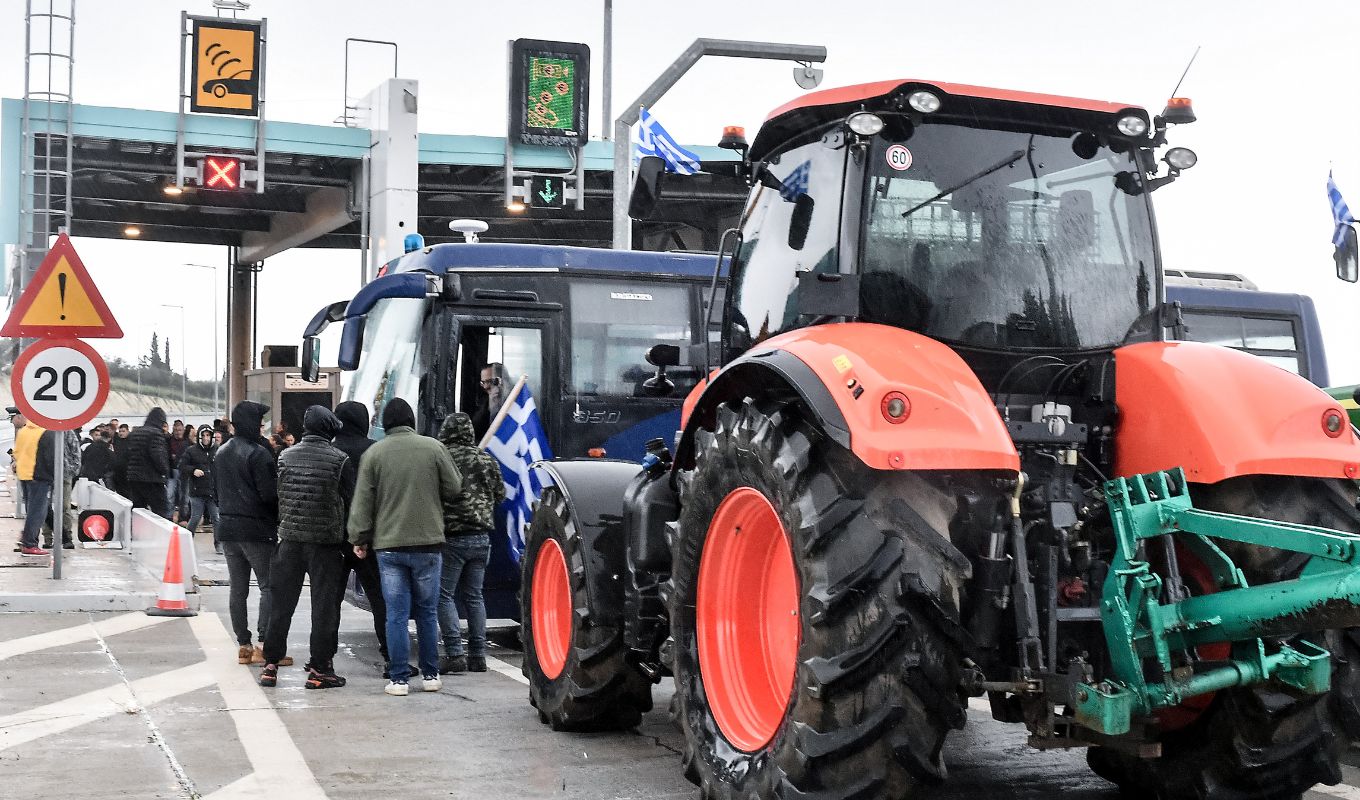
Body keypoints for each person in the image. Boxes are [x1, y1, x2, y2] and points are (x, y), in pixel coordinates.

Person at [348, 398, 462, 696]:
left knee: (396, 614)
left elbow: (363, 503)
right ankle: (431, 675)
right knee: (427, 612)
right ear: (412, 421)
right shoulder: (434, 448)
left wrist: (359, 539)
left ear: (385, 424)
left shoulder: (375, 453)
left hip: (390, 547)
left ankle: (399, 679)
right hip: (428, 544)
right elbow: (454, 488)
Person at [259, 407, 353, 691]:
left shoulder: (284, 456)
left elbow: (276, 494)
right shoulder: (340, 460)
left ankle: (270, 665)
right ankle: (319, 669)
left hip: (289, 541)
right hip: (324, 544)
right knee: (323, 608)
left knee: (281, 605)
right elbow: (351, 500)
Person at [215, 400, 291, 667]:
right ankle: (265, 644)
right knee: (268, 586)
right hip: (256, 529)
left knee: (238, 588)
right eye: (259, 422)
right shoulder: (258, 454)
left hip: (228, 528)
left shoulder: (221, 452)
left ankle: (243, 646)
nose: (262, 427)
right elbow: (269, 495)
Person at [436, 412, 505, 674]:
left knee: (444, 596)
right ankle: (478, 655)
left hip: (452, 538)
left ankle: (454, 652)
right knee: (475, 596)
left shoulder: (443, 457)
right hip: (481, 538)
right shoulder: (486, 458)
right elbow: (500, 494)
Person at [332, 400, 394, 674]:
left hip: (334, 538)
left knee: (330, 600)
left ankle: (323, 659)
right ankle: (391, 655)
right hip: (371, 538)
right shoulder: (376, 450)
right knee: (380, 599)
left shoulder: (330, 450)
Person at [13, 411, 56, 556]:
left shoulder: (23, 431)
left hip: (24, 475)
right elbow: (50, 458)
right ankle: (29, 543)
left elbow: (17, 452)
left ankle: (27, 537)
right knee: (38, 512)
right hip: (39, 476)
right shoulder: (46, 432)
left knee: (31, 510)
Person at [179, 426, 221, 553]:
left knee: (216, 518)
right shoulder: (191, 451)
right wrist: (193, 470)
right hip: (197, 491)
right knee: (196, 517)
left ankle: (218, 543)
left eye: (208, 435)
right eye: (203, 435)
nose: (206, 438)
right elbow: (181, 465)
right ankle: (187, 540)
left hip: (213, 491)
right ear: (199, 437)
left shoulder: (218, 450)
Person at [123, 409, 170, 517]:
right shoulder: (156, 434)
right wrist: (165, 472)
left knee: (138, 511)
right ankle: (162, 534)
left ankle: (136, 532)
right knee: (162, 511)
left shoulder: (134, 433)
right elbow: (158, 456)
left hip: (134, 478)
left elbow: (126, 455)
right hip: (152, 479)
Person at [42, 428, 80, 550]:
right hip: (46, 474)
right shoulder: (44, 430)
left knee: (65, 506)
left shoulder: (67, 431)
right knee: (45, 508)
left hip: (64, 474)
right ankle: (48, 539)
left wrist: (73, 470)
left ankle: (67, 537)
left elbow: (75, 450)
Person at [471, 362, 508, 440]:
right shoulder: (484, 404)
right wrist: (491, 407)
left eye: (490, 381)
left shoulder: (516, 400)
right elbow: (475, 430)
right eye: (483, 383)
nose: (486, 386)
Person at [109, 423, 130, 493]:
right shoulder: (117, 441)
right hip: (118, 471)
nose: (121, 433)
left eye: (123, 431)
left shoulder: (131, 441)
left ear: (128, 431)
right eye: (120, 431)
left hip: (128, 470)